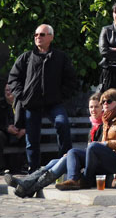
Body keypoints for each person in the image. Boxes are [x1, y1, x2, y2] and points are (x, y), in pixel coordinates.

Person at [5, 93, 104, 196]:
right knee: (55, 160)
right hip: (88, 161)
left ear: (102, 108)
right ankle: (27, 186)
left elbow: (97, 150)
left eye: (96, 106)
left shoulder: (104, 125)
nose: (93, 110)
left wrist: (76, 154)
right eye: (91, 107)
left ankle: (27, 185)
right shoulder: (94, 125)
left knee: (66, 158)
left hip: (96, 168)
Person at [7, 24, 76, 170]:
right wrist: (22, 96)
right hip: (32, 103)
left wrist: (61, 95)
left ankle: (64, 165)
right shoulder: (26, 58)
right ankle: (34, 170)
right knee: (31, 138)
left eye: (42, 35)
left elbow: (71, 79)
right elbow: (13, 78)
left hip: (54, 102)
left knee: (63, 124)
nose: (38, 37)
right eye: (36, 35)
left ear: (51, 37)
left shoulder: (60, 57)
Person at [60, 88, 116, 190]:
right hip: (107, 157)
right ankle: (73, 180)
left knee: (93, 146)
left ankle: (86, 180)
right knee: (73, 152)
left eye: (109, 101)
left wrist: (107, 144)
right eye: (103, 102)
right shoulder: (107, 119)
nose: (105, 104)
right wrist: (103, 145)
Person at [0, 78, 25, 174]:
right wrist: (7, 128)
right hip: (5, 134)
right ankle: (1, 168)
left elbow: (30, 120)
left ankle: (26, 165)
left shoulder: (22, 104)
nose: (8, 92)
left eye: (10, 90)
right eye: (6, 90)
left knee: (31, 135)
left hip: (20, 133)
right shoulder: (1, 105)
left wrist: (24, 130)